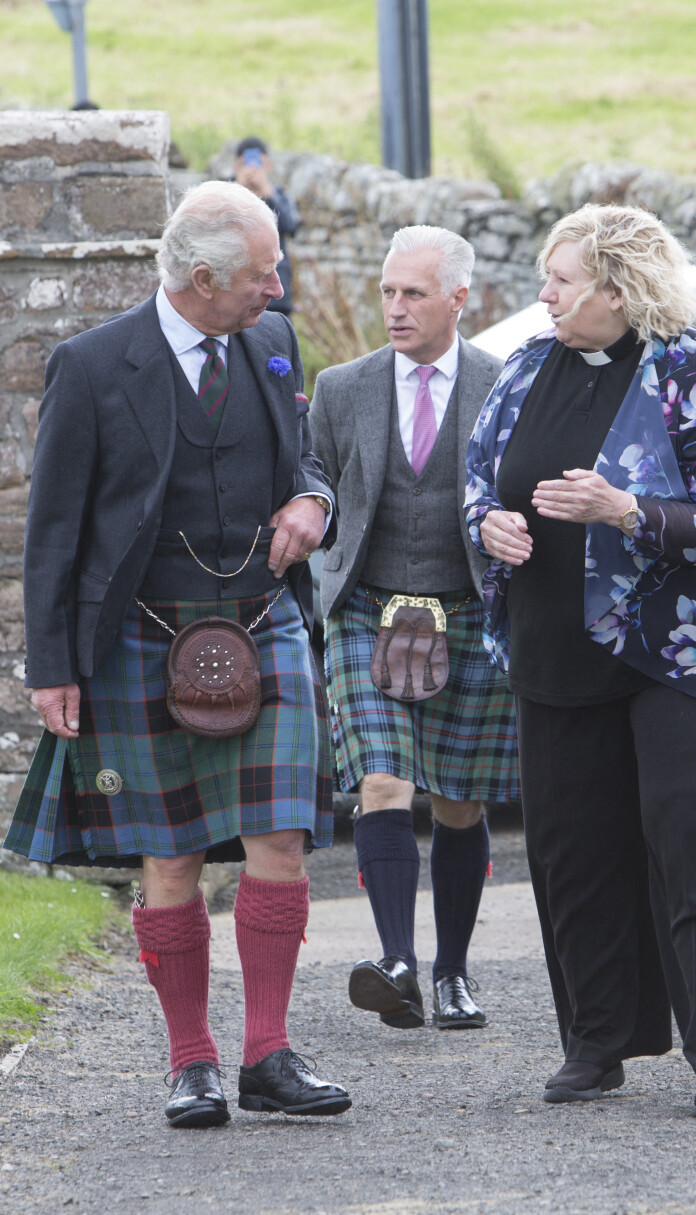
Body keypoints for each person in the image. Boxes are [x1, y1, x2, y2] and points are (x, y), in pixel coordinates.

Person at [3, 181, 351, 1128]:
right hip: (143, 632)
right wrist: (53, 666)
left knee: (282, 838)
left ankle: (270, 1051)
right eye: (262, 273)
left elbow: (306, 457)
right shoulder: (93, 364)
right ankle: (190, 1061)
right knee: (173, 852)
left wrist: (312, 503)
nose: (277, 288)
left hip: (263, 617)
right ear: (202, 277)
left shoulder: (272, 346)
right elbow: (56, 528)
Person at [465, 203, 696, 1118]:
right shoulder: (526, 367)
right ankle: (598, 1041)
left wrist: (625, 510)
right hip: (556, 646)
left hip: (684, 651)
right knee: (574, 851)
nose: (545, 292)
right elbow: (478, 488)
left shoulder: (693, 367)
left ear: (617, 286)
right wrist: (487, 525)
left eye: (561, 279)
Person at [309, 225, 519, 1031]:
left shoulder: (506, 386)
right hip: (368, 608)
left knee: (460, 802)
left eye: (414, 294)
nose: (394, 309)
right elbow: (318, 484)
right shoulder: (343, 387)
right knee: (383, 783)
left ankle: (454, 972)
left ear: (459, 299)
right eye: (388, 292)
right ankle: (396, 961)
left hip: (469, 611)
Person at [234, 136, 299, 317]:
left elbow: (290, 226)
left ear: (268, 165)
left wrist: (267, 194)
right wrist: (239, 190)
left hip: (277, 292)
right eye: (246, 163)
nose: (253, 168)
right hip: (239, 292)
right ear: (236, 167)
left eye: (258, 163)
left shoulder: (279, 195)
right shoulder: (228, 196)